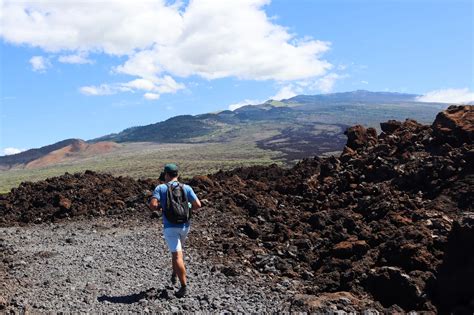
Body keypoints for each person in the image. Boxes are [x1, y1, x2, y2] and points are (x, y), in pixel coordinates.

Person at [148, 163, 201, 298]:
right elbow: (197, 205)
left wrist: (162, 207)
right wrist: (187, 206)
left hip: (170, 227)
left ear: (166, 174)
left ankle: (183, 286)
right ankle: (174, 274)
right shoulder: (187, 188)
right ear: (177, 174)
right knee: (177, 252)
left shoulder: (161, 188)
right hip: (185, 226)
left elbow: (153, 205)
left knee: (178, 256)